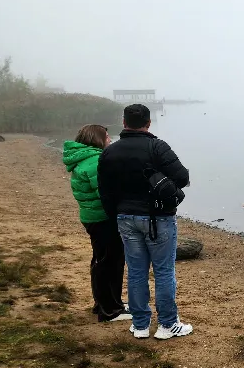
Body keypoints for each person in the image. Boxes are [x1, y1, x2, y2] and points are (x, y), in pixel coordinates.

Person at [98, 104, 193, 340]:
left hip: (125, 218)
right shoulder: (157, 147)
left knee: (136, 272)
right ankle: (167, 325)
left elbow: (105, 191)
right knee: (163, 272)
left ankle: (140, 325)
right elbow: (183, 178)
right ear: (149, 123)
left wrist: (117, 214)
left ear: (123, 122)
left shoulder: (110, 152)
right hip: (158, 218)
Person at [62, 125, 132, 323]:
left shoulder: (83, 158)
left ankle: (105, 302)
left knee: (101, 260)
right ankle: (110, 310)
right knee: (111, 262)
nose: (110, 139)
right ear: (97, 139)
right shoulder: (95, 161)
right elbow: (105, 190)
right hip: (103, 218)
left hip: (92, 217)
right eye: (107, 137)